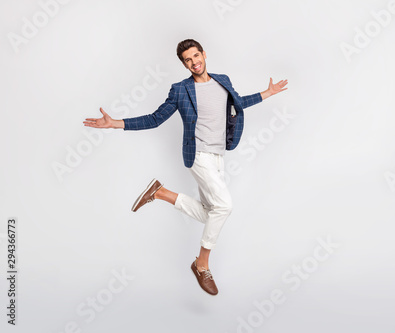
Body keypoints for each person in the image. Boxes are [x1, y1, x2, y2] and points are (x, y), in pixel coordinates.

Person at [83, 39, 288, 295]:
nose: (194, 62)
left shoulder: (222, 80)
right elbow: (155, 118)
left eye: (196, 56)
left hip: (218, 156)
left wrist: (267, 93)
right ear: (184, 64)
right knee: (225, 206)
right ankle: (202, 264)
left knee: (211, 212)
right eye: (188, 60)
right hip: (198, 155)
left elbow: (236, 102)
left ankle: (160, 192)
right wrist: (116, 123)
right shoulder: (180, 90)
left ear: (204, 54)